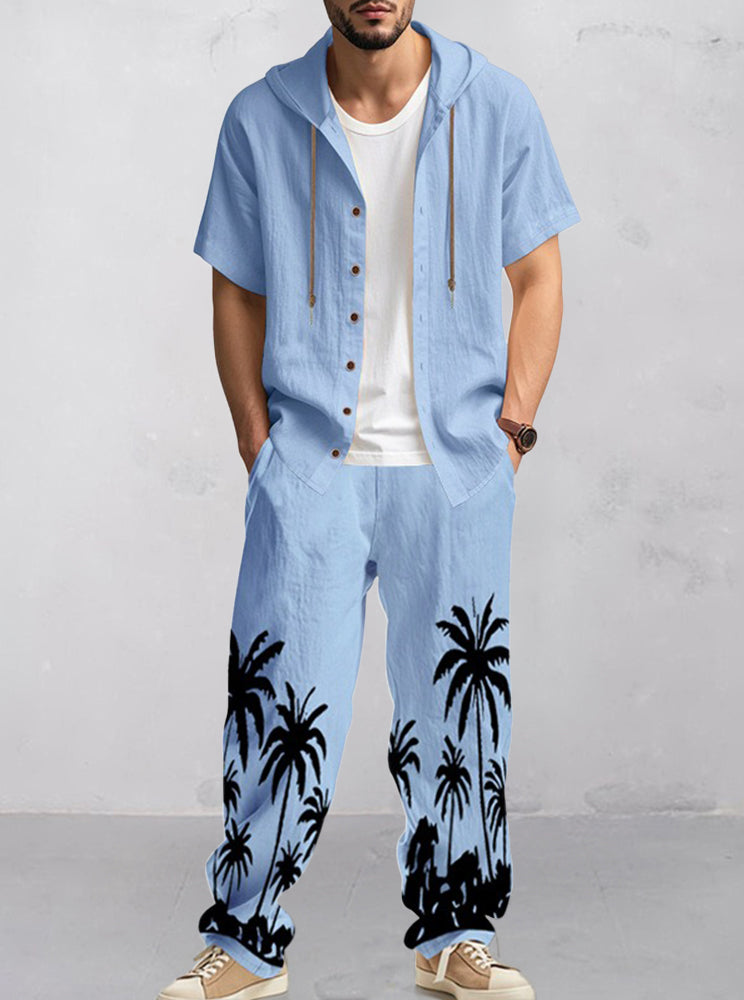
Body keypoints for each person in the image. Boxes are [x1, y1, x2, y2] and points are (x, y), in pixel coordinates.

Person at [157, 4, 580, 998]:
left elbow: (540, 274)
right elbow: (235, 287)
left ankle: (456, 935)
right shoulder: (261, 117)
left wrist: (511, 434)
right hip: (313, 465)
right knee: (278, 700)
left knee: (460, 707)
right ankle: (246, 943)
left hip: (456, 468)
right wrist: (258, 443)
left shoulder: (496, 106)